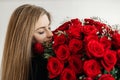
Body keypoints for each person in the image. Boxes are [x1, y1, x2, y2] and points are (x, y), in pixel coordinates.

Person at [1, 4, 53, 80]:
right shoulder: (40, 67)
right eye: (41, 32)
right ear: (25, 38)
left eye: (49, 27)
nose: (51, 34)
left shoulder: (15, 69)